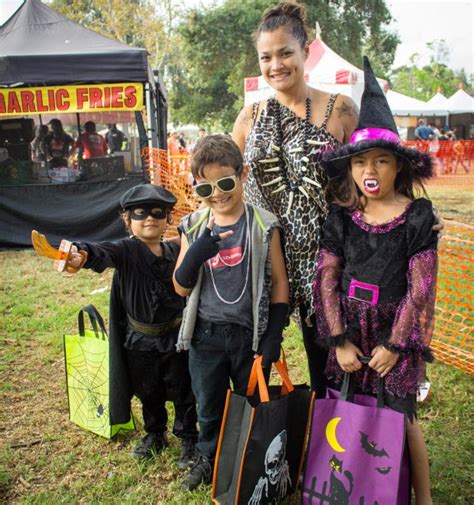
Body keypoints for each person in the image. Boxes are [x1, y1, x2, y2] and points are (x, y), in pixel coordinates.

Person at [315, 57, 437, 504]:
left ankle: (421, 496)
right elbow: (325, 279)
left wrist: (395, 343)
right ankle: (356, 486)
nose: (371, 171)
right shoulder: (341, 219)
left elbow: (421, 287)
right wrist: (340, 340)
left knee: (400, 416)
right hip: (350, 327)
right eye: (362, 161)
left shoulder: (417, 217)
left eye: (382, 161)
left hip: (393, 332)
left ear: (398, 167)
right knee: (352, 413)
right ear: (349, 168)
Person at [232, 2, 358, 398]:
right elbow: (227, 187)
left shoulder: (340, 109)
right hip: (262, 259)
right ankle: (253, 442)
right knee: (254, 356)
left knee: (329, 362)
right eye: (266, 57)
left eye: (286, 52)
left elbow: (378, 168)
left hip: (324, 260)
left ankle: (333, 443)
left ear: (306, 51)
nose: (276, 65)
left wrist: (416, 216)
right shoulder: (249, 117)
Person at [173, 134, 289, 490]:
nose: (217, 194)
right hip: (205, 334)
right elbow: (179, 285)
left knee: (249, 399)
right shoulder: (192, 226)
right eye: (204, 188)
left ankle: (245, 458)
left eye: (225, 183)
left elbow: (280, 282)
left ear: (243, 174)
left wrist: (273, 336)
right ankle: (209, 456)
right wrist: (195, 254)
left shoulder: (263, 224)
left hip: (248, 335)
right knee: (207, 403)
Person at [64, 184, 198, 466]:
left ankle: (188, 438)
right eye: (140, 213)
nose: (149, 218)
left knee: (184, 389)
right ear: (128, 220)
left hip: (177, 338)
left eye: (157, 212)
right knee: (149, 391)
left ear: (167, 219)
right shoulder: (126, 250)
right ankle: (155, 433)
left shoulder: (176, 250)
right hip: (140, 341)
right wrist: (81, 254)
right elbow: (101, 252)